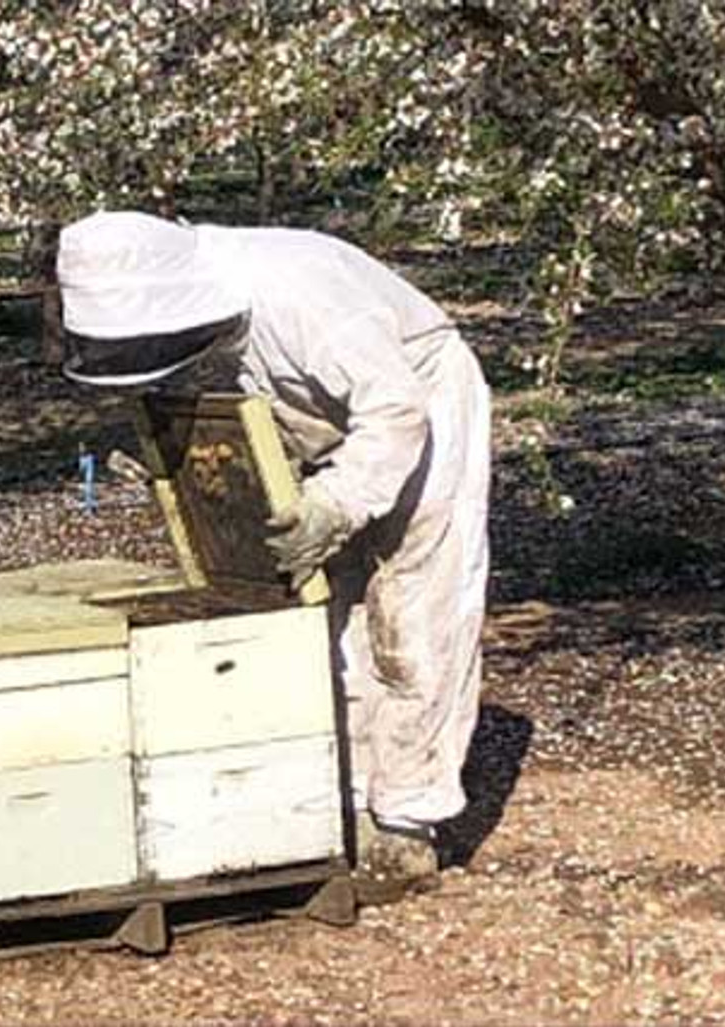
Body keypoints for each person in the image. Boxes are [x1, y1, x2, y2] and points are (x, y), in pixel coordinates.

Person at [54, 212, 491, 902]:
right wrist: (180, 463)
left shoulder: (303, 298)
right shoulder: (208, 313)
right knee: (323, 604)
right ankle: (348, 797)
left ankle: (408, 820)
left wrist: (339, 503)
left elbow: (396, 411)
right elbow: (247, 405)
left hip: (420, 396)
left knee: (412, 604)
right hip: (322, 413)